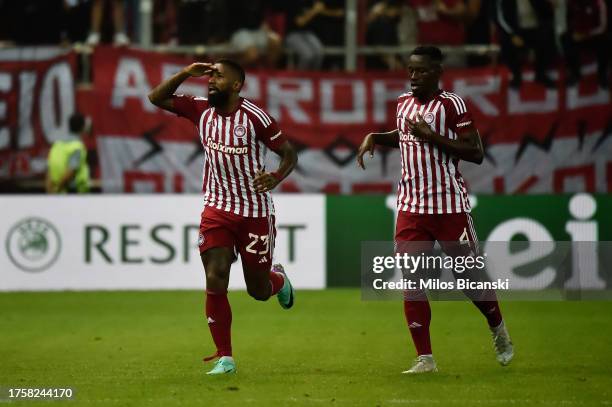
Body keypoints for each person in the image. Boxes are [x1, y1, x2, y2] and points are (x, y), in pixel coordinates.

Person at [356, 46, 514, 373]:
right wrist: (376, 136)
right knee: (412, 279)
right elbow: (405, 136)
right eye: (411, 70)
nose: (414, 77)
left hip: (449, 206)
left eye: (421, 71)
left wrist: (433, 136)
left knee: (468, 278)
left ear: (438, 72)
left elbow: (475, 152)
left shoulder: (452, 105)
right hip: (411, 206)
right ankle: (424, 358)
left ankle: (498, 327)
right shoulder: (402, 103)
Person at [148, 59, 298, 375]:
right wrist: (185, 73)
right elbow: (156, 98)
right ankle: (224, 357)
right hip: (217, 209)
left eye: (219, 76)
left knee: (258, 290)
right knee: (215, 275)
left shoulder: (256, 118)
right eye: (210, 75)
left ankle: (279, 280)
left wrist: (275, 177)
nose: (211, 80)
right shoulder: (200, 109)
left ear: (236, 85)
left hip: (255, 213)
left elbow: (289, 154)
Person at [495, 0, 556, 88]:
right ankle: (516, 75)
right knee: (506, 43)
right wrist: (512, 34)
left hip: (535, 28)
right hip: (516, 30)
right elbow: (500, 18)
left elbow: (546, 13)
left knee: (547, 38)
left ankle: (541, 74)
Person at [46, 113, 91, 194]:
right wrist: (57, 189)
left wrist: (50, 192)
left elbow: (49, 170)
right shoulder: (77, 147)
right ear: (83, 127)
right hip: (73, 193)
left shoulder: (57, 145)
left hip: (57, 194)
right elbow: (70, 171)